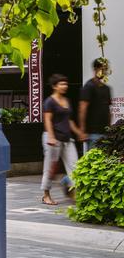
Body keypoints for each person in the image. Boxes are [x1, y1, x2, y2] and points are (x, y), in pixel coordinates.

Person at [41, 73, 85, 206]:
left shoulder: (67, 101)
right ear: (55, 86)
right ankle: (46, 195)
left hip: (67, 139)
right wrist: (51, 136)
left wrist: (79, 132)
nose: (65, 86)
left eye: (65, 83)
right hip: (53, 140)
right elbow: (47, 120)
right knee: (50, 169)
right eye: (62, 84)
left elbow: (69, 120)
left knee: (75, 167)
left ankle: (73, 191)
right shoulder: (49, 101)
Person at [79, 58, 112, 154]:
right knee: (93, 162)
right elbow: (82, 108)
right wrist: (82, 130)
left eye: (106, 69)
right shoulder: (89, 86)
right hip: (93, 133)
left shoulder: (107, 88)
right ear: (95, 69)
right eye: (103, 69)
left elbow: (108, 110)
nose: (105, 71)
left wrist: (109, 130)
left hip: (105, 133)